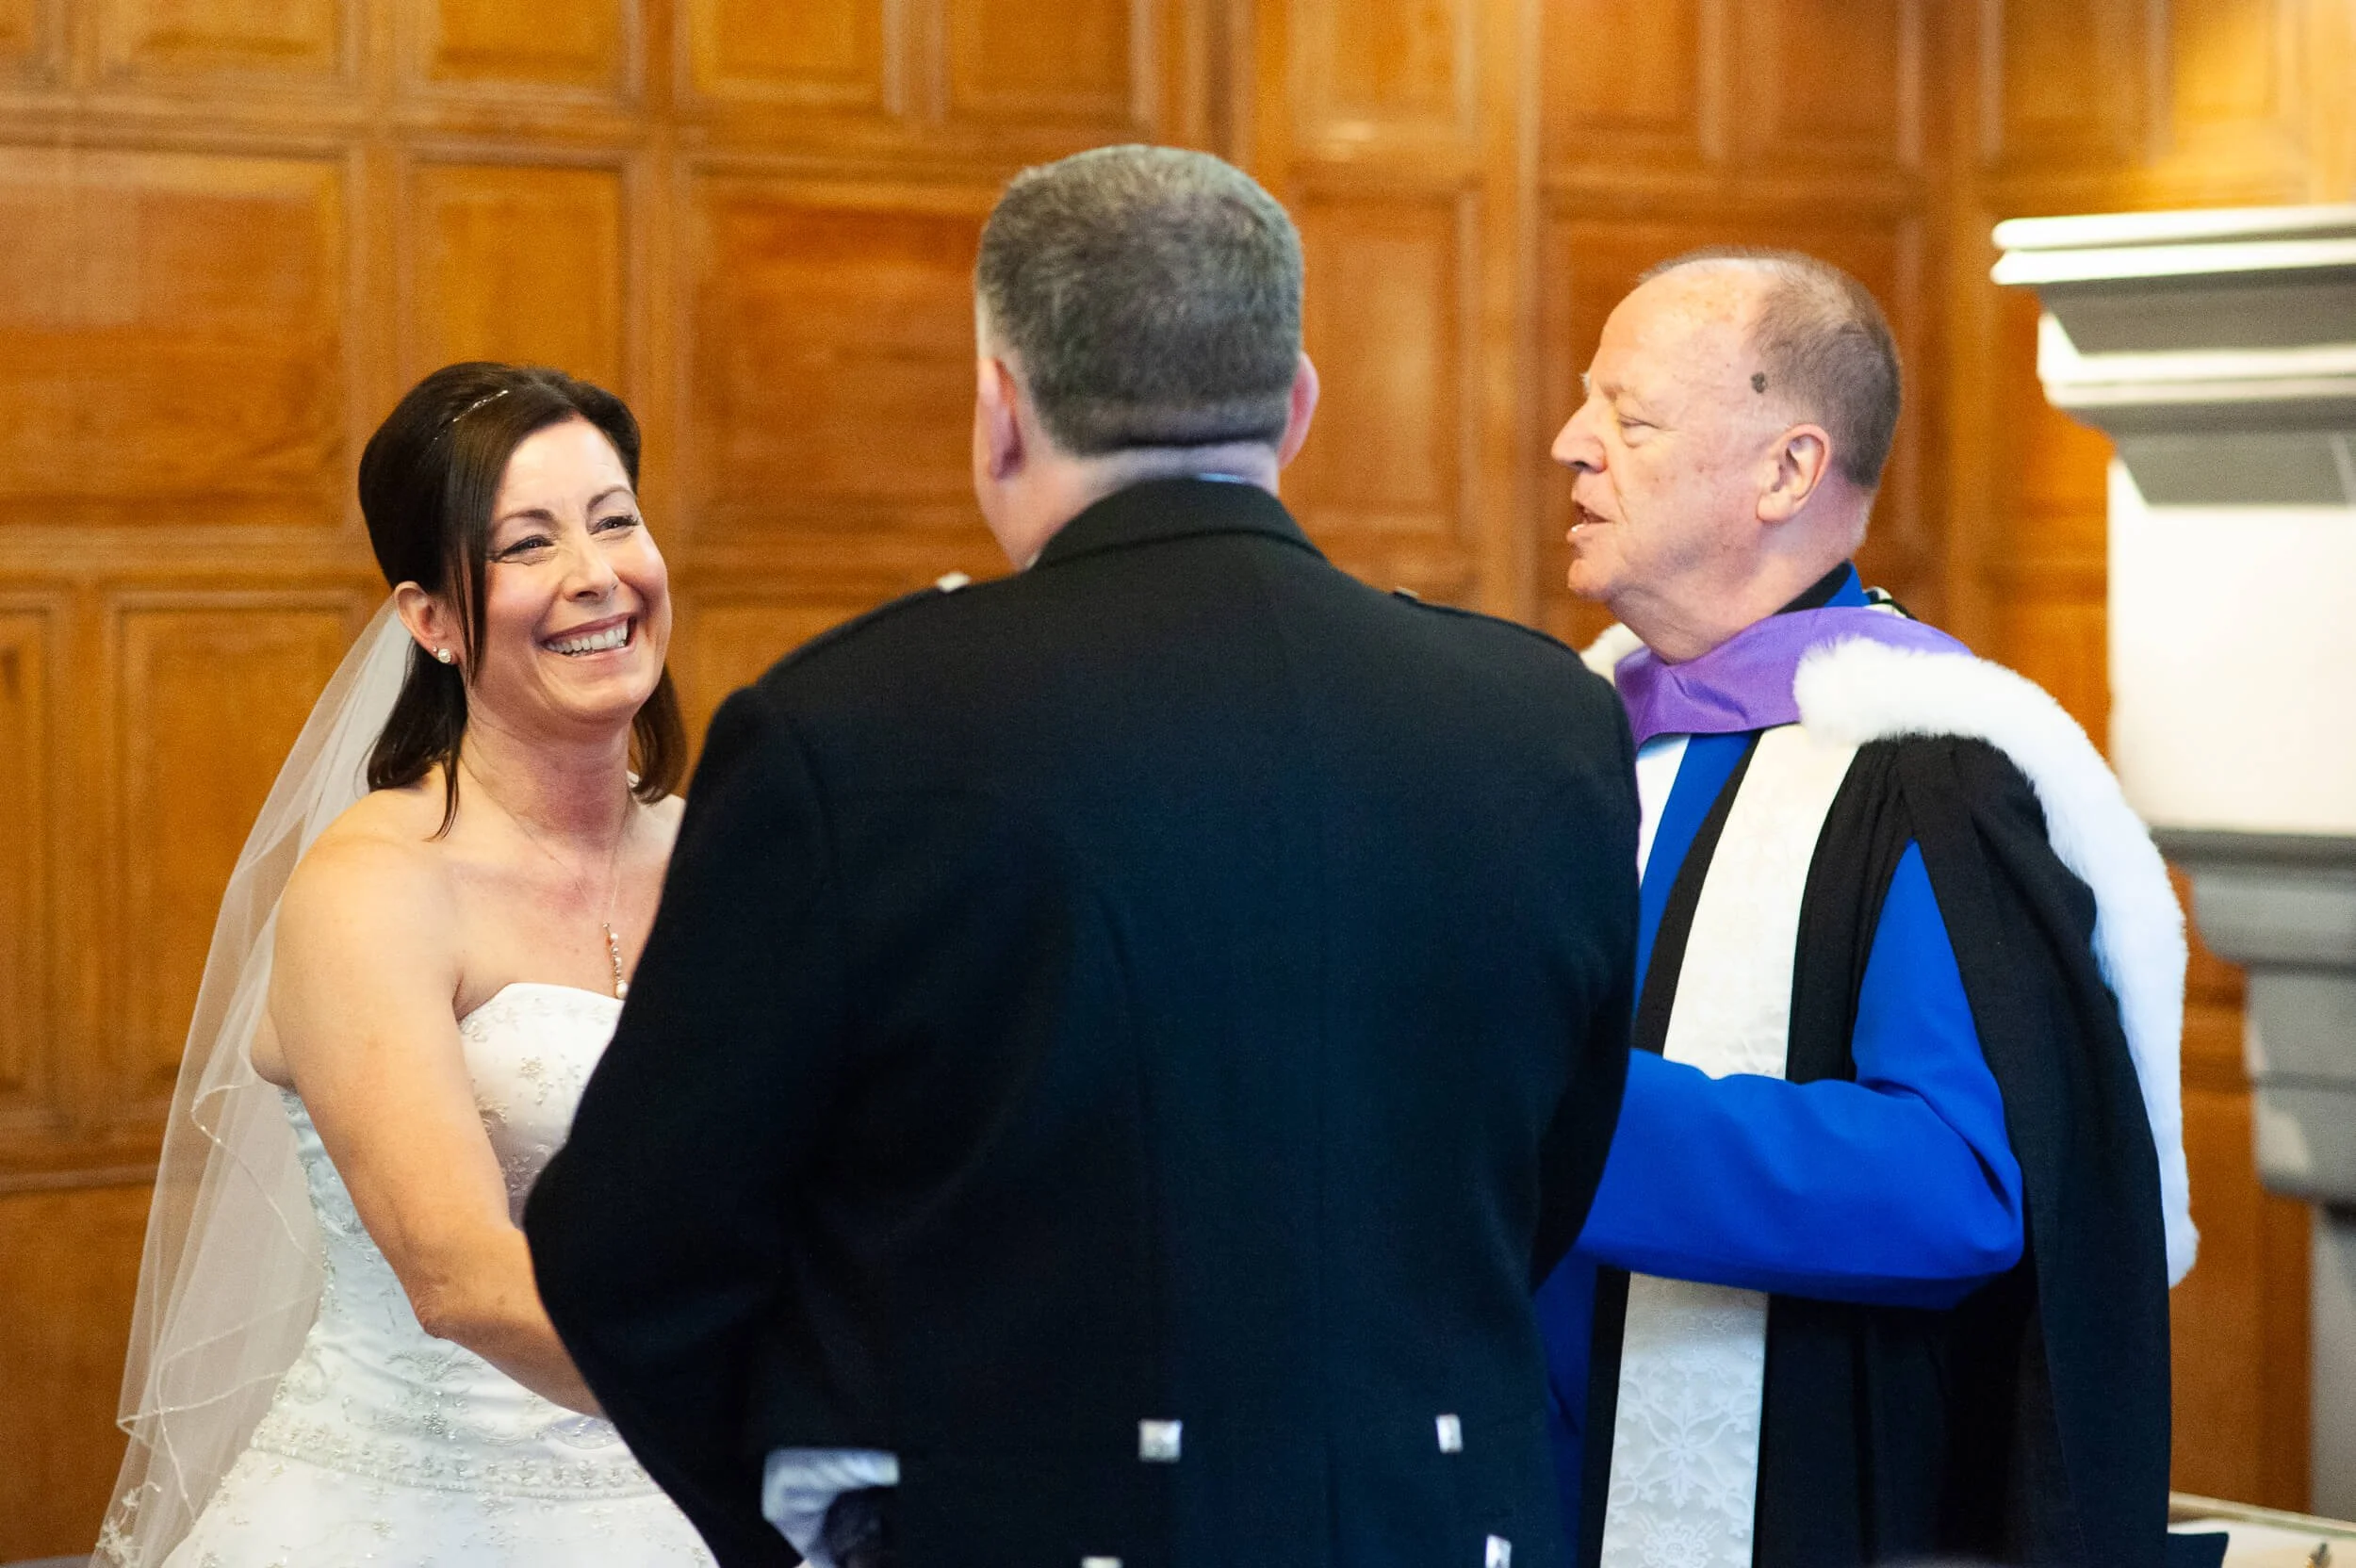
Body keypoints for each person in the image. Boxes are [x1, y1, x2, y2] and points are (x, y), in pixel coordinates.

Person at [523, 144, 1640, 1568]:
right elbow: (1547, 1178)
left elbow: (630, 1245)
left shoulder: (851, 728)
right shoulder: (1544, 721)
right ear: (1296, 406)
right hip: (1435, 1524)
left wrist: (831, 1513)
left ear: (1000, 408)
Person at [1535, 249, 2200, 1567]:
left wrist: (1549, 1124)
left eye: (1631, 416)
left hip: (1788, 1499)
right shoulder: (1567, 736)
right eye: (1585, 405)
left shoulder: (1928, 771)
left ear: (1788, 471)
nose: (1571, 446)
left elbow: (1958, 1186)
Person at [95, 363, 717, 1567]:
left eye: (615, 519)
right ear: (430, 617)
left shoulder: (728, 854)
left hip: (698, 1505)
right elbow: (458, 1275)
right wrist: (788, 1397)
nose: (596, 574)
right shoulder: (374, 888)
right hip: (423, 1516)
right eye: (527, 544)